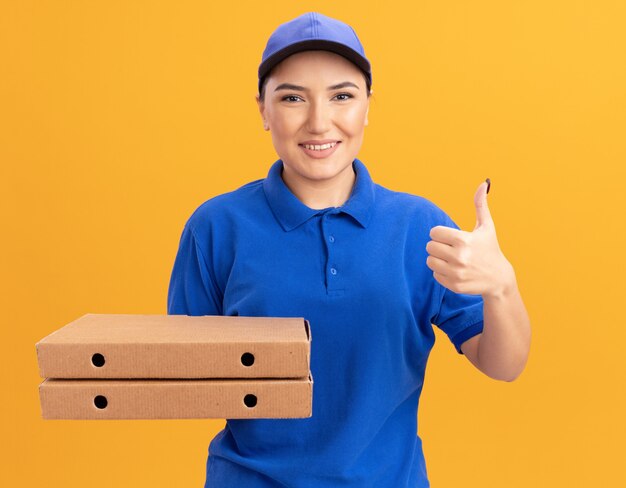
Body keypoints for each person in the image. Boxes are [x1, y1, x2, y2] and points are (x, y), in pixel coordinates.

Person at [167, 11, 531, 488]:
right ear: (262, 110)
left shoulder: (420, 227)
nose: (320, 123)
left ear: (367, 107)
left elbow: (503, 365)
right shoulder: (215, 228)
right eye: (292, 98)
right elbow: (185, 385)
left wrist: (502, 287)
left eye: (342, 96)